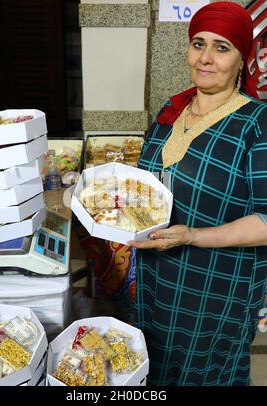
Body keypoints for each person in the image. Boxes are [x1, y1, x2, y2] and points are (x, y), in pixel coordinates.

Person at [128, 2, 267, 386]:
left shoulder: (257, 124)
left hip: (215, 289)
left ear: (242, 59)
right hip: (158, 279)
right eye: (198, 44)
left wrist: (192, 235)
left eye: (222, 48)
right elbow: (147, 186)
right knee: (155, 369)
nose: (205, 58)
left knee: (205, 375)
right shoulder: (171, 111)